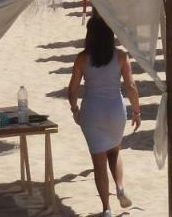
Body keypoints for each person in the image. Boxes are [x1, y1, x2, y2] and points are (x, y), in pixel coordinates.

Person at [68, 16, 141, 217]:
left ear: (89, 35)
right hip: (115, 111)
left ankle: (106, 209)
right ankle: (120, 188)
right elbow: (131, 87)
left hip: (92, 112)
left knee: (98, 163)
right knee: (115, 152)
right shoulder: (121, 56)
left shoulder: (82, 58)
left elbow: (72, 89)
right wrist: (136, 111)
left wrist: (75, 109)